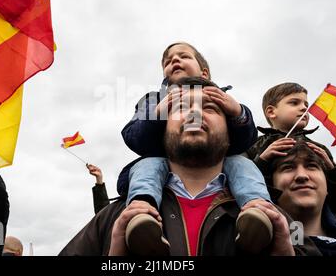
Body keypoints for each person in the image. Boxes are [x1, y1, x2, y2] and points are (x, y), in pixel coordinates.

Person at [59, 77, 314, 256]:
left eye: (210, 107)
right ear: (163, 128)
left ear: (230, 131)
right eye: (180, 107)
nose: (195, 115)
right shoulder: (116, 217)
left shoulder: (280, 220)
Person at [117, 42, 273, 254]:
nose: (174, 61)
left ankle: (258, 211)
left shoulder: (220, 97)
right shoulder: (153, 100)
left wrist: (238, 113)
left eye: (184, 56)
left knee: (242, 163)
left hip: (220, 163)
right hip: (162, 161)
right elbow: (134, 137)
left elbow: (246, 140)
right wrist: (159, 113)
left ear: (205, 72)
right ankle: (141, 213)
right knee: (148, 165)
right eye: (168, 61)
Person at [244, 82, 336, 215]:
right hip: (270, 216)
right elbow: (245, 186)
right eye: (294, 103)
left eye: (306, 104)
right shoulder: (253, 145)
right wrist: (263, 161)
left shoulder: (319, 150)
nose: (304, 109)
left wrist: (333, 171)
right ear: (271, 112)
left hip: (318, 220)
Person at [265, 141, 336, 255]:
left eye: (311, 166)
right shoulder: (255, 241)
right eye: (288, 167)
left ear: (327, 186)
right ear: (271, 186)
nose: (302, 175)